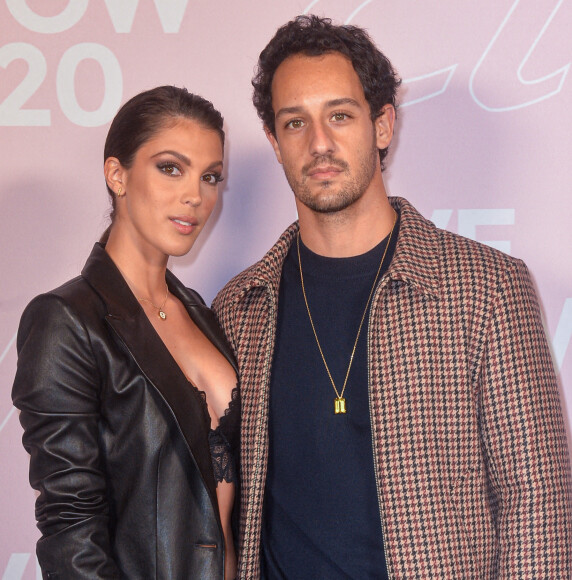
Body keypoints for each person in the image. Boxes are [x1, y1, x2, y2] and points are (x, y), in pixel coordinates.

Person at [212, 15, 572, 579]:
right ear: (275, 143)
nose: (320, 143)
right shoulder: (239, 307)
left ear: (383, 125)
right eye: (295, 123)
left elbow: (539, 506)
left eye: (340, 115)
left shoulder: (488, 289)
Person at [12, 86, 239, 580]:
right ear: (117, 174)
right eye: (170, 168)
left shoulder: (203, 313)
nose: (194, 196)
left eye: (210, 177)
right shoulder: (67, 319)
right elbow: (70, 528)